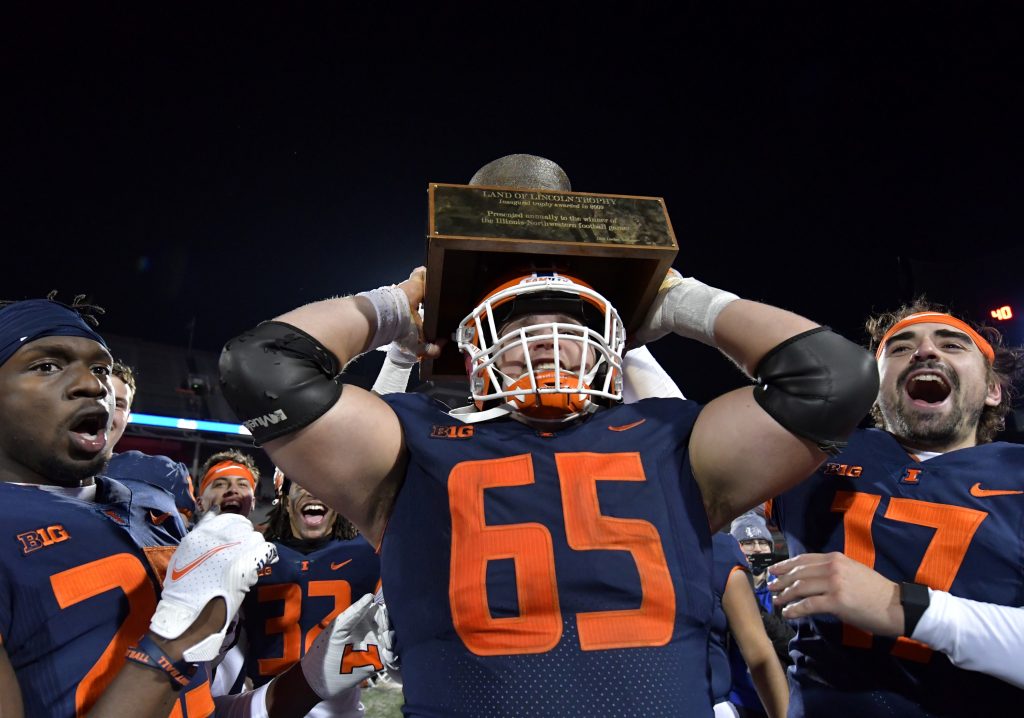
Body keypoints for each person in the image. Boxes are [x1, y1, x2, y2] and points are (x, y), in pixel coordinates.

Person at [218, 155, 878, 716]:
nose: (548, 344)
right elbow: (261, 369)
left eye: (569, 325)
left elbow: (835, 381)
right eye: (519, 329)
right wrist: (397, 306)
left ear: (612, 346)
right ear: (474, 353)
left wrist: (683, 302)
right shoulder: (415, 442)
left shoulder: (674, 437)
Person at [0, 295, 276, 717]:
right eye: (47, 366)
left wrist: (310, 681)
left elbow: (193, 705)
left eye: (100, 369)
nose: (95, 386)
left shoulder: (151, 501)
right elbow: (176, 653)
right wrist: (171, 648)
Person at [767, 302, 1024, 715]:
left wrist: (900, 606)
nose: (924, 352)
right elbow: (672, 457)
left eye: (952, 345)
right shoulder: (814, 452)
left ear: (993, 389)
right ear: (873, 385)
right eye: (901, 348)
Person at [230, 471, 381, 717]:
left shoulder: (369, 553)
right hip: (264, 703)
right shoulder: (254, 553)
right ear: (287, 501)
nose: (312, 491)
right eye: (301, 485)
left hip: (338, 707)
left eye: (321, 485)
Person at [105, 360, 198, 523]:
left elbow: (177, 541)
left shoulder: (161, 474)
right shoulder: (45, 471)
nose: (106, 410)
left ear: (127, 417)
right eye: (99, 399)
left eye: (118, 404)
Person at [709, 532, 789, 718]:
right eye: (748, 543)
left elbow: (790, 641)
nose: (757, 548)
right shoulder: (719, 584)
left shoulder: (784, 588)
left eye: (762, 542)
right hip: (737, 700)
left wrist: (756, 613)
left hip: (779, 692)